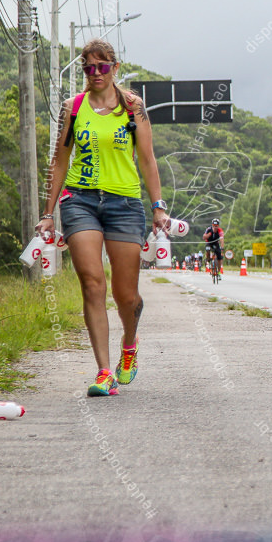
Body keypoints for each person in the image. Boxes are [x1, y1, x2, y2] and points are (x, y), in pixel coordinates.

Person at [36, 38, 169, 397]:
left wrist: (158, 206)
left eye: (103, 67)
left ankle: (129, 343)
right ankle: (103, 371)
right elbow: (59, 161)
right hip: (79, 200)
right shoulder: (72, 108)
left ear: (115, 68)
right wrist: (47, 213)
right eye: (89, 68)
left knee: (126, 296)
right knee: (92, 283)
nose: (96, 74)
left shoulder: (133, 107)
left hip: (124, 203)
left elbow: (147, 159)